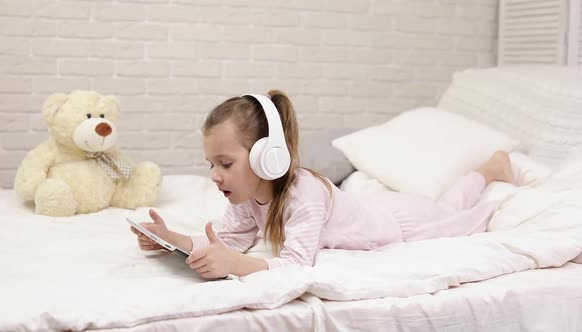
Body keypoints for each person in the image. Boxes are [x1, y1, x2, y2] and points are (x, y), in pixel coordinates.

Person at [130, 90, 515, 279]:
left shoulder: (305, 194)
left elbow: (296, 265)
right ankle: (488, 171)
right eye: (211, 164)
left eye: (225, 163)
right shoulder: (246, 194)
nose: (214, 175)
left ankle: (490, 170)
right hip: (375, 211)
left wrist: (237, 266)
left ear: (269, 156)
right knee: (447, 204)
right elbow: (229, 241)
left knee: (460, 213)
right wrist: (172, 240)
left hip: (399, 225)